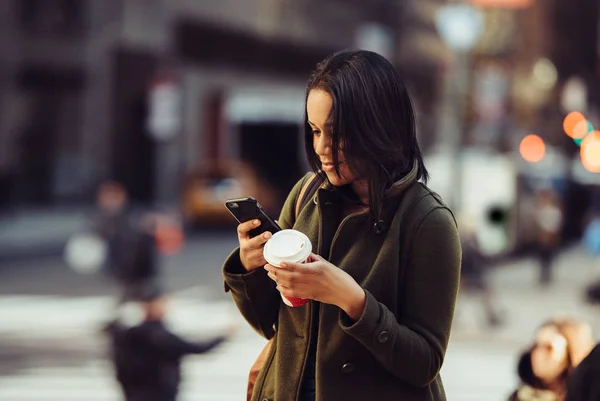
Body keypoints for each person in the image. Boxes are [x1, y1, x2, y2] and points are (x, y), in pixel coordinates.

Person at [222, 49, 461, 401]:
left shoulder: (428, 222)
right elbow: (270, 324)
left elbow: (424, 362)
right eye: (315, 130)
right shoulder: (306, 195)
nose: (321, 147)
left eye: (335, 133)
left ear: (378, 127)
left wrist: (353, 300)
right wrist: (250, 266)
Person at [105, 292, 233, 401]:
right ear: (148, 306)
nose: (166, 306)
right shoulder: (157, 336)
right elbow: (198, 348)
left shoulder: (130, 334)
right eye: (162, 303)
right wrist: (224, 335)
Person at [92, 181, 161, 304]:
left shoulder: (131, 214)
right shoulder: (103, 217)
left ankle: (139, 290)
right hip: (119, 262)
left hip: (135, 262)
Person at [508, 318, 596, 401]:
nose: (538, 355)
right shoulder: (520, 397)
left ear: (570, 353)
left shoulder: (588, 393)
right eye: (536, 346)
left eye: (548, 348)